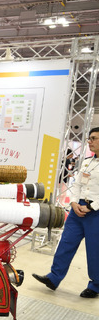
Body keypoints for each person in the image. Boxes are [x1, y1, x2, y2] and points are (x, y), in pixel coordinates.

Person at [33, 127, 99, 299]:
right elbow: (77, 185)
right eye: (89, 138)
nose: (89, 141)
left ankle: (95, 285)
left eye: (93, 138)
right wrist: (75, 202)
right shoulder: (87, 162)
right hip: (78, 210)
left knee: (95, 251)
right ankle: (54, 278)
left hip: (96, 213)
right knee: (65, 244)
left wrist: (92, 207)